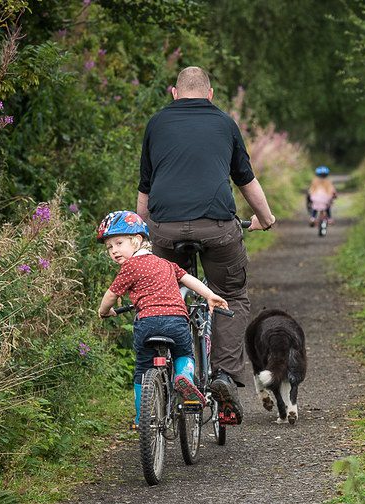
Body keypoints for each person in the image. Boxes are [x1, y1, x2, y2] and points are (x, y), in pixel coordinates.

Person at [136, 66, 276, 425]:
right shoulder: (225, 123)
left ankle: (172, 367)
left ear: (173, 93)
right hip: (216, 227)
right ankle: (223, 376)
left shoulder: (156, 123)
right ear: (210, 94)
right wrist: (266, 218)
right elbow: (245, 179)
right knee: (231, 293)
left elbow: (145, 188)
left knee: (165, 293)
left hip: (164, 228)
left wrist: (142, 236)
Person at [96, 210, 229, 428]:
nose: (114, 250)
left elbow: (111, 295)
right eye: (110, 247)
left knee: (142, 368)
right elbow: (189, 280)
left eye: (119, 243)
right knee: (184, 353)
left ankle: (142, 418)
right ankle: (184, 377)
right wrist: (209, 295)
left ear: (137, 240)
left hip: (147, 322)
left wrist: (103, 311)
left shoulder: (129, 267)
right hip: (176, 320)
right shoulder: (165, 264)